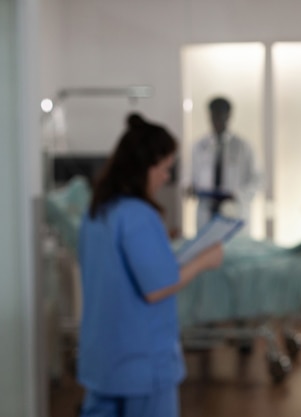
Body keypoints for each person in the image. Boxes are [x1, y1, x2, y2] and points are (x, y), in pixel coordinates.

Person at [77, 113, 224, 417]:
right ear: (145, 166)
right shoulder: (139, 215)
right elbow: (158, 288)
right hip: (140, 365)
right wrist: (202, 261)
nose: (166, 178)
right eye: (165, 168)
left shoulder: (97, 212)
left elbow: (114, 266)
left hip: (103, 362)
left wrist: (162, 239)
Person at [190, 96, 260, 231]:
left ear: (229, 116)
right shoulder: (199, 146)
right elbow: (189, 177)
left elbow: (257, 180)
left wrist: (238, 194)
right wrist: (190, 187)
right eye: (214, 116)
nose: (217, 120)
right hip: (207, 211)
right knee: (206, 247)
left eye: (220, 115)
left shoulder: (243, 147)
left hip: (234, 210)